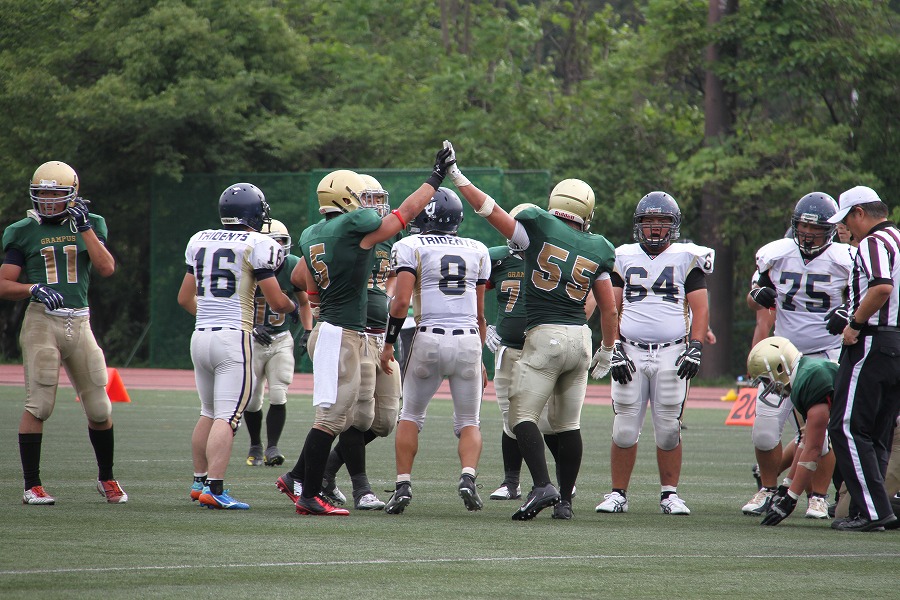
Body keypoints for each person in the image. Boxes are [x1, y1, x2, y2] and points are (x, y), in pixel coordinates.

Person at [276, 144, 457, 516]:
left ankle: (302, 483)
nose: (366, 205)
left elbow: (306, 282)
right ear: (346, 199)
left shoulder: (312, 232)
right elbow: (403, 215)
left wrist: (320, 299)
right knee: (331, 420)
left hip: (336, 329)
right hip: (340, 334)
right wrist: (435, 177)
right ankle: (308, 493)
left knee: (342, 418)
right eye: (359, 197)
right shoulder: (351, 225)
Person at [447, 142, 619, 521]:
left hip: (546, 337)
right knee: (568, 424)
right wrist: (608, 349)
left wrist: (458, 177)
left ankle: (542, 485)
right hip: (581, 339)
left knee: (520, 416)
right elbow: (608, 308)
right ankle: (565, 504)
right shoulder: (599, 246)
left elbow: (490, 210)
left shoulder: (538, 228)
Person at [0, 161, 126, 505]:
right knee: (39, 404)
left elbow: (106, 268)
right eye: (42, 193)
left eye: (55, 194)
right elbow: (4, 284)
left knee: (100, 408)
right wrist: (32, 288)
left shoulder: (91, 222)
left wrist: (84, 228)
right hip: (42, 321)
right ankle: (32, 485)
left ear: (72, 195)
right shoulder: (22, 230)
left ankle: (106, 478)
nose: (48, 201)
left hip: (80, 322)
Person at [177, 183, 300, 510]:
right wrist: (293, 308)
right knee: (228, 417)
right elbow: (276, 300)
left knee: (208, 411)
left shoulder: (199, 239)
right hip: (234, 337)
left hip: (200, 335)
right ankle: (215, 488)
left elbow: (184, 298)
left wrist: (209, 317)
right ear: (256, 214)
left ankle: (199, 482)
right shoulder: (259, 243)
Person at [592, 192, 712, 516]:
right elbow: (612, 306)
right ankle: (618, 494)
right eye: (649, 221)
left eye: (662, 221)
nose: (655, 227)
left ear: (673, 225)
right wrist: (615, 347)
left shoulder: (687, 258)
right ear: (638, 224)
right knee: (624, 428)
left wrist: (696, 346)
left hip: (672, 351)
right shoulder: (622, 256)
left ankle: (669, 494)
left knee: (670, 429)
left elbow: (701, 309)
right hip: (630, 349)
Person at [379, 187, 490, 514]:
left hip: (429, 336)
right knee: (469, 420)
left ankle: (403, 485)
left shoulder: (410, 245)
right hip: (469, 339)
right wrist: (481, 358)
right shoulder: (477, 249)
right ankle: (468, 477)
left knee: (410, 415)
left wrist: (388, 344)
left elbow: (400, 302)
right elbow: (480, 315)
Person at [741, 193, 851, 518]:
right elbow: (753, 298)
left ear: (829, 230)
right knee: (764, 433)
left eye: (816, 228)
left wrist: (847, 312)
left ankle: (817, 496)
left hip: (827, 353)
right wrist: (758, 295)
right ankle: (767, 488)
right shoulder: (776, 254)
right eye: (804, 226)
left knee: (821, 433)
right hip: (784, 356)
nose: (808, 233)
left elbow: (861, 298)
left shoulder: (846, 259)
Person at [320, 174, 401, 511]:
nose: (377, 205)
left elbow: (392, 275)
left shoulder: (390, 236)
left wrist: (387, 296)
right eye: (369, 198)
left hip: (383, 335)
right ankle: (361, 488)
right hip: (357, 332)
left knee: (385, 420)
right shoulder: (345, 235)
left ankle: (323, 471)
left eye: (379, 198)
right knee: (358, 415)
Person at [824, 185, 900, 531]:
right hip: (895, 342)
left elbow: (881, 287)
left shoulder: (874, 242)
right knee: (878, 431)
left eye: (847, 220)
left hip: (872, 342)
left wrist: (854, 324)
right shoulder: (897, 239)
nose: (846, 229)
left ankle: (873, 511)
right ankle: (870, 508)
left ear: (859, 213)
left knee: (846, 427)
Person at [746, 337, 840, 526]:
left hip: (883, 432)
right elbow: (806, 440)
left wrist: (791, 499)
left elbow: (814, 448)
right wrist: (786, 486)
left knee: (860, 508)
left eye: (766, 379)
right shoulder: (803, 376)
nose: (768, 387)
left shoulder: (812, 379)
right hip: (869, 433)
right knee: (847, 508)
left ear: (781, 368)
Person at [244, 219, 312, 468]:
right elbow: (237, 302)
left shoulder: (292, 265)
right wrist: (252, 326)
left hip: (281, 338)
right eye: (272, 242)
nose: (277, 247)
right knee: (252, 398)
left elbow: (304, 302)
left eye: (281, 241)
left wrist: (308, 331)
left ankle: (272, 447)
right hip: (252, 339)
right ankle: (255, 445)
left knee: (279, 392)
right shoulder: (248, 263)